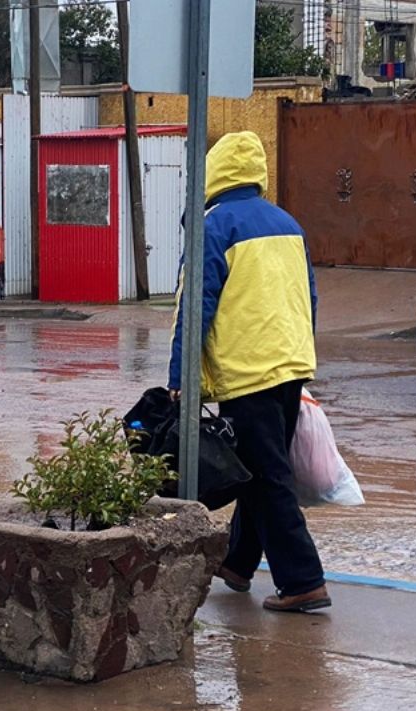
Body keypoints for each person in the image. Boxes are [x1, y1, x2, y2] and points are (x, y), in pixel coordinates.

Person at [168, 131, 329, 613]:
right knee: (258, 471)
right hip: (290, 365)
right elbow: (310, 297)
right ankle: (237, 563)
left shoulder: (213, 226)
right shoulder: (287, 223)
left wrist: (181, 378)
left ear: (213, 175)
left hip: (247, 371)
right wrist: (300, 354)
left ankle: (303, 581)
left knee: (266, 478)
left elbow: (193, 307)